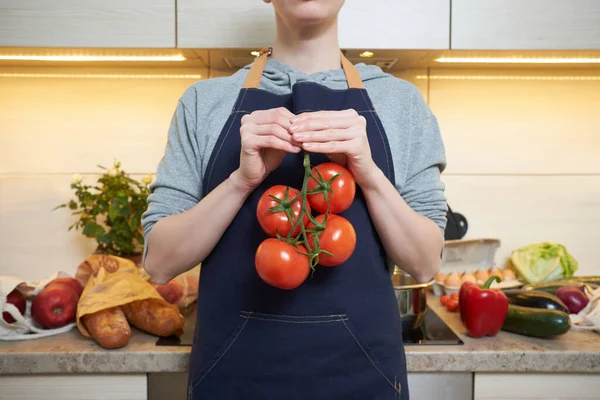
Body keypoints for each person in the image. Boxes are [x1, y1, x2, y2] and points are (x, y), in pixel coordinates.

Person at [142, 1, 447, 398]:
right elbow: (160, 263)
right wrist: (240, 182)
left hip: (363, 380)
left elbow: (424, 262)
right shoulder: (203, 102)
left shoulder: (402, 104)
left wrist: (368, 175)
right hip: (233, 379)